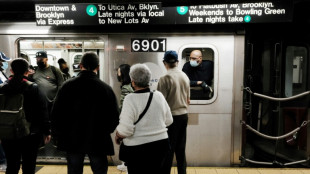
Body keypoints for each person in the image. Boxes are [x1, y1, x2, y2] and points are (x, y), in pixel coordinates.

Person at [51, 52, 119, 174]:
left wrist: (58, 134)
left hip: (72, 138)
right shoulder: (105, 88)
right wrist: (106, 130)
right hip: (98, 138)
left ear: (80, 65)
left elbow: (56, 113)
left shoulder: (67, 86)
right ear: (98, 67)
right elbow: (114, 116)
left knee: (74, 170)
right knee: (99, 170)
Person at [115, 63, 173, 174]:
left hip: (137, 150)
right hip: (161, 146)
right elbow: (169, 120)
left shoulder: (130, 99)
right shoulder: (159, 96)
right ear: (149, 80)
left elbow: (125, 130)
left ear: (133, 81)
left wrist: (118, 135)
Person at [0, 58, 51, 174]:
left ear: (11, 71)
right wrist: (47, 131)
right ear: (27, 71)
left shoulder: (2, 88)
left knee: (12, 166)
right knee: (29, 166)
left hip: (8, 132)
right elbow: (42, 111)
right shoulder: (33, 87)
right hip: (30, 133)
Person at [157, 51, 190, 174]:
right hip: (184, 116)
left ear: (164, 63)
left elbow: (161, 103)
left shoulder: (164, 78)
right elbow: (188, 100)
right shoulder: (184, 76)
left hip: (171, 118)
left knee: (168, 150)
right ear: (177, 62)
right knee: (181, 149)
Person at [31, 51, 64, 115]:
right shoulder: (34, 70)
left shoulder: (54, 70)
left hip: (52, 103)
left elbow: (61, 85)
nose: (38, 60)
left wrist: (57, 99)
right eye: (37, 59)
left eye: (41, 59)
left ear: (46, 59)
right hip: (38, 103)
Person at [116, 64, 134, 172]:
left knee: (126, 142)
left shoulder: (126, 87)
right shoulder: (130, 85)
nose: (117, 74)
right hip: (131, 119)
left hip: (127, 119)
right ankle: (126, 163)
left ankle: (127, 165)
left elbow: (124, 106)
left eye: (119, 72)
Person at [0, 51, 10, 172]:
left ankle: (4, 159)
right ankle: (2, 161)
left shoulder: (1, 73)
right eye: (1, 61)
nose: (3, 64)